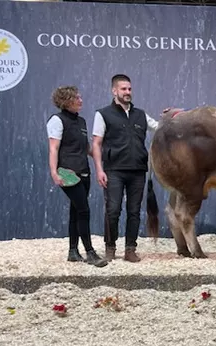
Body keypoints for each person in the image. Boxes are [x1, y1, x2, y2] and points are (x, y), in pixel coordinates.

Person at [92, 74, 158, 262]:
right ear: (114, 91)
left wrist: (171, 118)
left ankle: (130, 249)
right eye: (123, 89)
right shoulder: (103, 114)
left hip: (137, 170)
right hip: (114, 170)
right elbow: (96, 143)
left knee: (134, 211)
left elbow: (159, 127)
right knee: (113, 210)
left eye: (129, 89)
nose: (128, 92)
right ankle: (110, 248)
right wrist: (99, 169)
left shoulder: (141, 115)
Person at [46, 86, 107, 267]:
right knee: (83, 210)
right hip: (68, 173)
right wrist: (54, 172)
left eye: (80, 97)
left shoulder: (81, 121)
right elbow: (53, 148)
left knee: (75, 211)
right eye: (77, 97)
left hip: (84, 171)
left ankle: (73, 251)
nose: (81, 100)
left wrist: (100, 156)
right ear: (66, 101)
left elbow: (85, 148)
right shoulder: (57, 121)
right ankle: (90, 253)